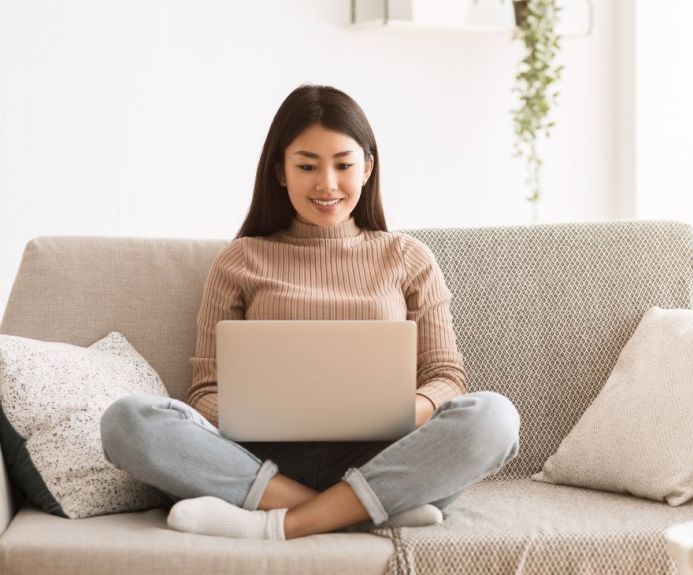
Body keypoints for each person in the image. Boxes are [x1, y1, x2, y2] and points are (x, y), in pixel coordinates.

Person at [98, 84, 521, 541]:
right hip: (261, 462)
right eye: (306, 166)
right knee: (127, 422)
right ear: (280, 170)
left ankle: (278, 523)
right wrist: (259, 414)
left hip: (384, 460)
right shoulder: (239, 260)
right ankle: (357, 513)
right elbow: (205, 392)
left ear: (368, 168)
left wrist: (396, 412)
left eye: (343, 165)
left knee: (494, 417)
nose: (327, 184)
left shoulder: (408, 257)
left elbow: (445, 377)